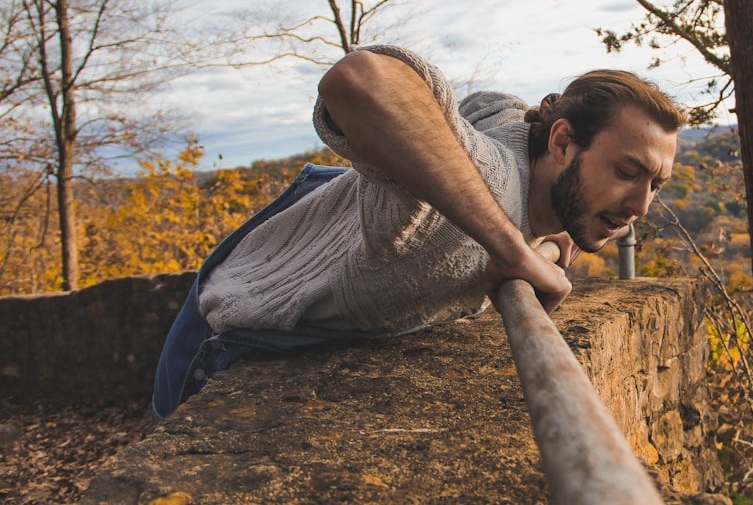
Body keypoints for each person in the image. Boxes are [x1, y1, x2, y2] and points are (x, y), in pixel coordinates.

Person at [152, 44, 685, 420]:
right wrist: (512, 248)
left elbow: (493, 106)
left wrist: (551, 225)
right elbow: (359, 79)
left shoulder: (522, 141)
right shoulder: (490, 182)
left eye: (655, 184)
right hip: (232, 336)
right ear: (563, 143)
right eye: (626, 172)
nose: (640, 204)